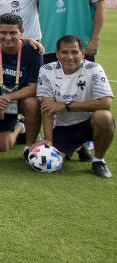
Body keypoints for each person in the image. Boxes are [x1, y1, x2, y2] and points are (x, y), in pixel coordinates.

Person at [35, 35, 113, 178]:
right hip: (65, 127)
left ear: (83, 54)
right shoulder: (46, 70)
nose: (70, 57)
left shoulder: (94, 69)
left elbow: (106, 103)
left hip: (89, 123)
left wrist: (66, 105)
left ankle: (99, 161)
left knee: (104, 116)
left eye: (74, 52)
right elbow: (48, 108)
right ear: (57, 54)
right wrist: (48, 140)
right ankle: (78, 145)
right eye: (64, 52)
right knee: (54, 163)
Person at [0, 13, 42, 154]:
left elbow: (34, 87)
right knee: (1, 146)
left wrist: (8, 98)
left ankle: (29, 147)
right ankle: (20, 126)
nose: (8, 37)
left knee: (32, 103)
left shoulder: (33, 51)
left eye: (13, 33)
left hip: (21, 99)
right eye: (3, 32)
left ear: (22, 32)